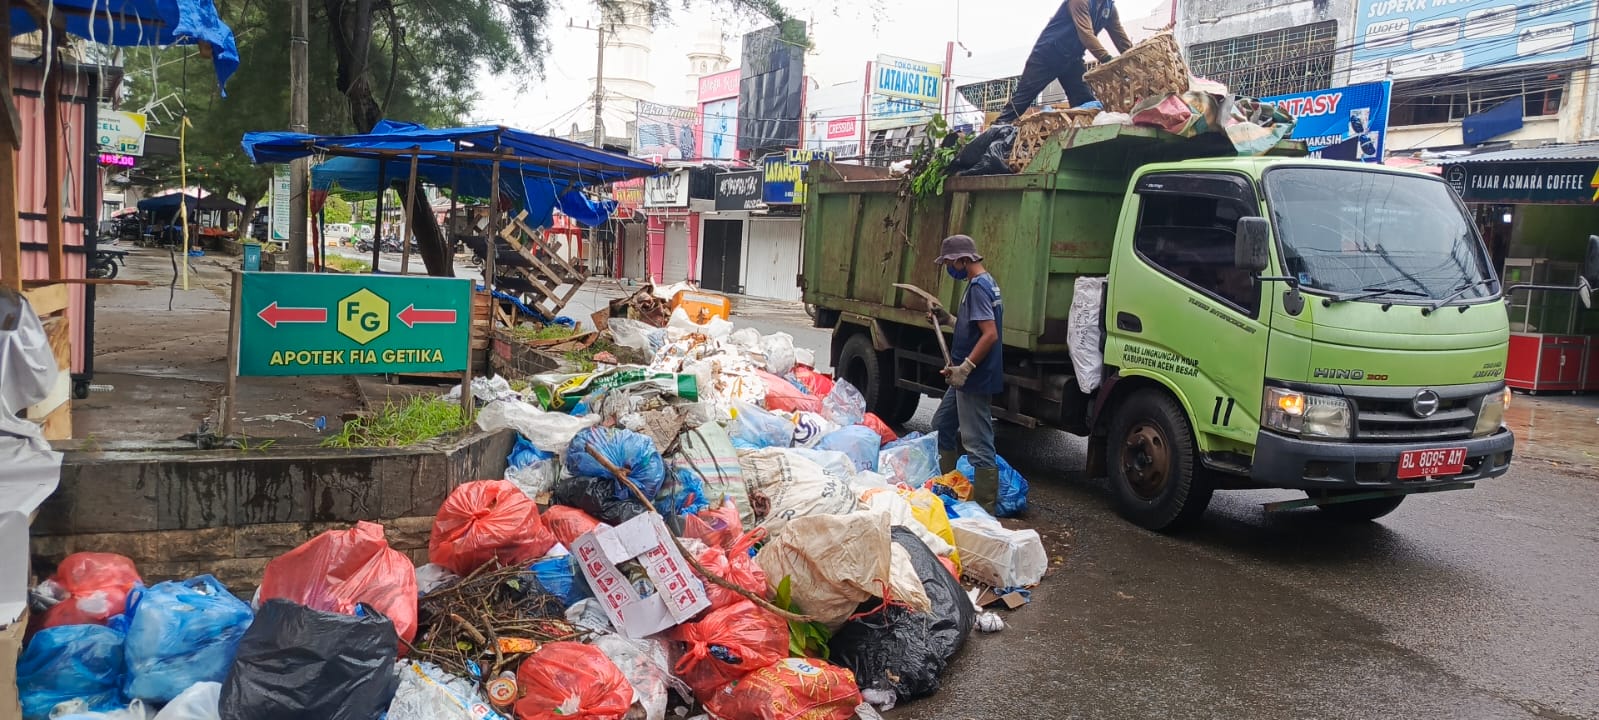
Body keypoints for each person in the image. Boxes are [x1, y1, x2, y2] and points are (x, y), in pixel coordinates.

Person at [932, 234, 1005, 512]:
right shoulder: (984, 283)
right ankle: (948, 487)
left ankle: (985, 511)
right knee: (942, 424)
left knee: (977, 443)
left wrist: (965, 368)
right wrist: (949, 319)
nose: (949, 268)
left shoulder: (978, 288)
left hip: (974, 378)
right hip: (964, 379)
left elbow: (990, 334)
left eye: (949, 263)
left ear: (963, 260)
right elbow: (974, 326)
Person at [996, 0, 1134, 123]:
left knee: (1085, 103)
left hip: (1072, 59)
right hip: (1047, 55)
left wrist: (1134, 58)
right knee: (1020, 102)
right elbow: (1085, 34)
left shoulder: (1109, 8)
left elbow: (1120, 36)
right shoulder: (1080, 2)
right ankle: (993, 134)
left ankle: (1085, 139)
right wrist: (1106, 59)